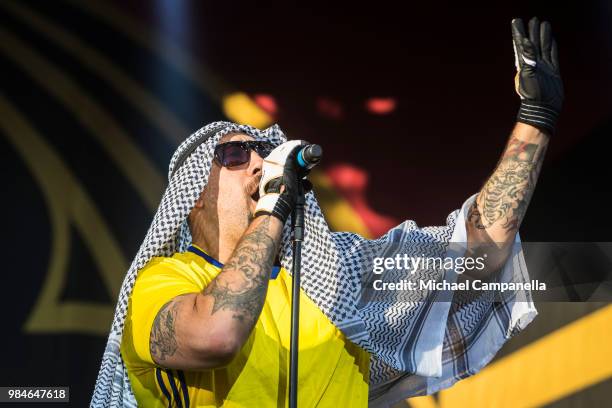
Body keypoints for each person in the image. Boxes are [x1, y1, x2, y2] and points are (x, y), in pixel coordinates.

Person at [91, 17, 563, 407]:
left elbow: (480, 249)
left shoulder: (335, 277)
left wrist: (536, 120)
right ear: (193, 197)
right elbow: (216, 335)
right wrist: (274, 207)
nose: (259, 160)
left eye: (263, 149)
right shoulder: (165, 281)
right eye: (235, 156)